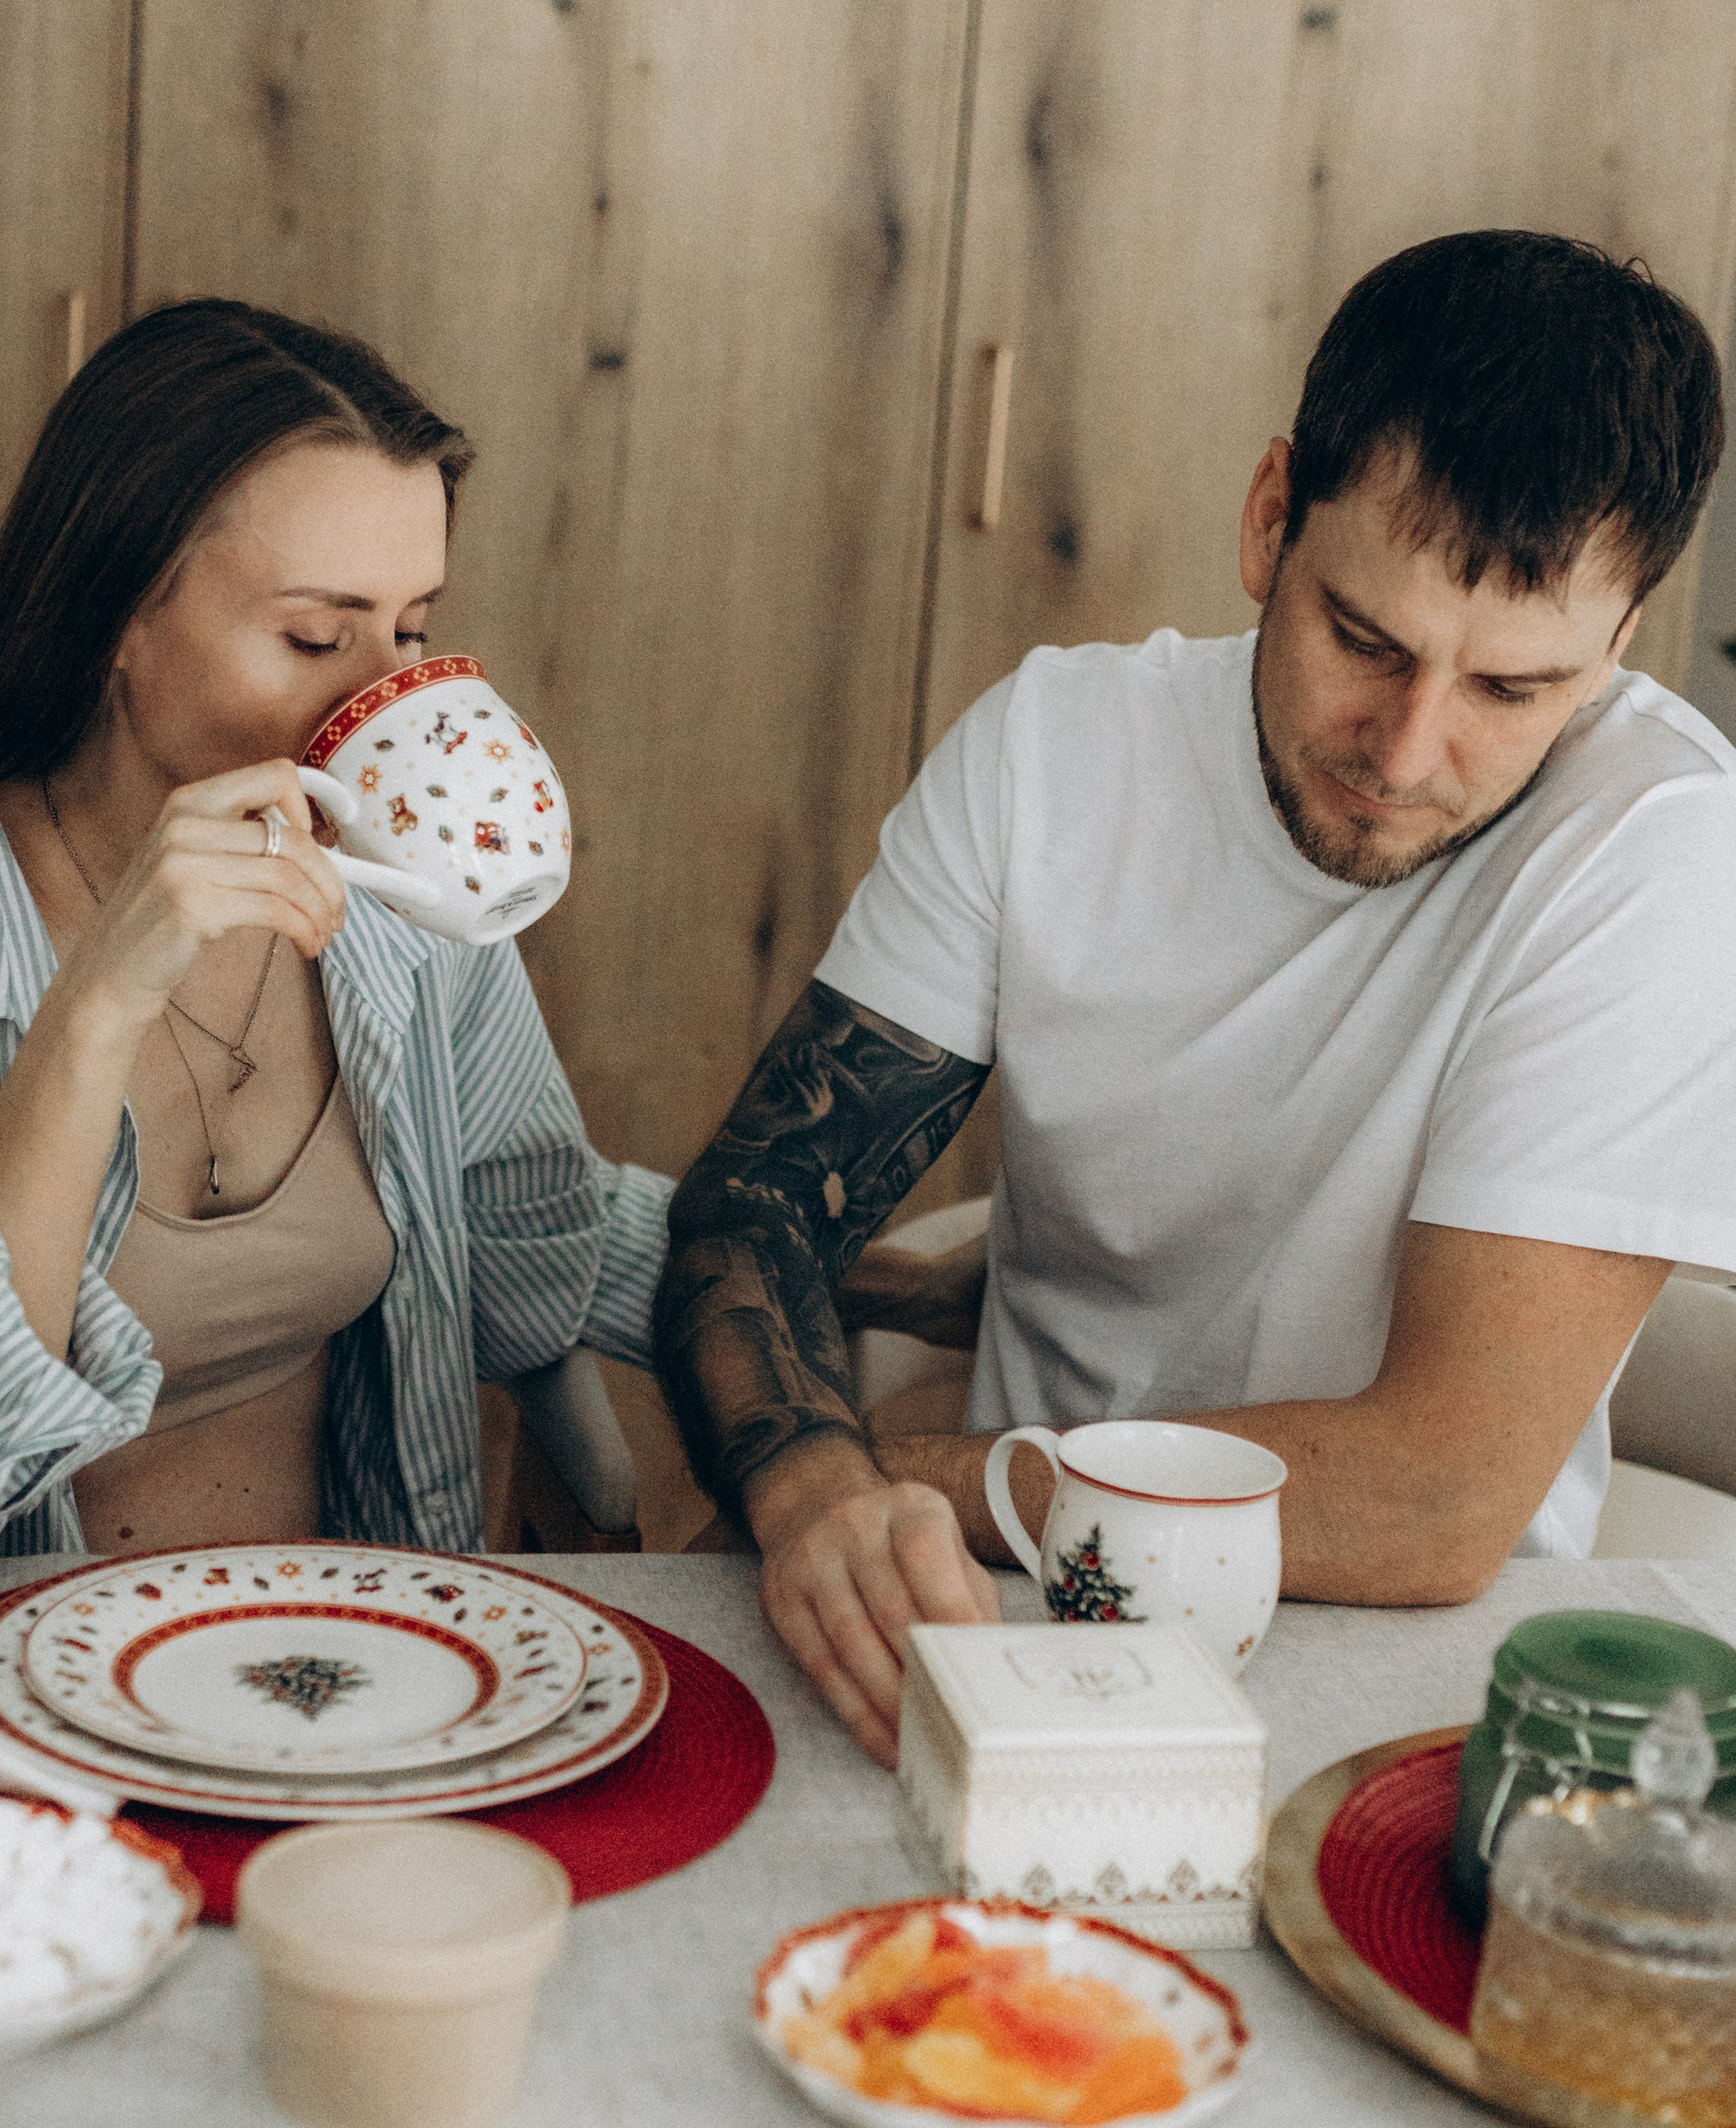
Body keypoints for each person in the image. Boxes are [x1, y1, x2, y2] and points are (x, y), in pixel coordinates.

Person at [656, 230, 1736, 1763]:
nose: (1406, 752)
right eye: (1365, 640)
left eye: (1512, 689)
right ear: (1269, 519)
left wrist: (901, 1473)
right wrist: (812, 1492)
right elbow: (758, 1203)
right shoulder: (1051, 750)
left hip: (1396, 1660)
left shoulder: (1660, 844)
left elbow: (1432, 1499)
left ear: (1619, 643)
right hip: (1009, 1611)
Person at [0, 301, 668, 1575]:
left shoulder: (396, 896)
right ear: (116, 623)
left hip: (334, 1655)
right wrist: (93, 1015)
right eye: (315, 635)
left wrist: (812, 1277)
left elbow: (539, 1251)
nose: (383, 697)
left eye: (411, 630)